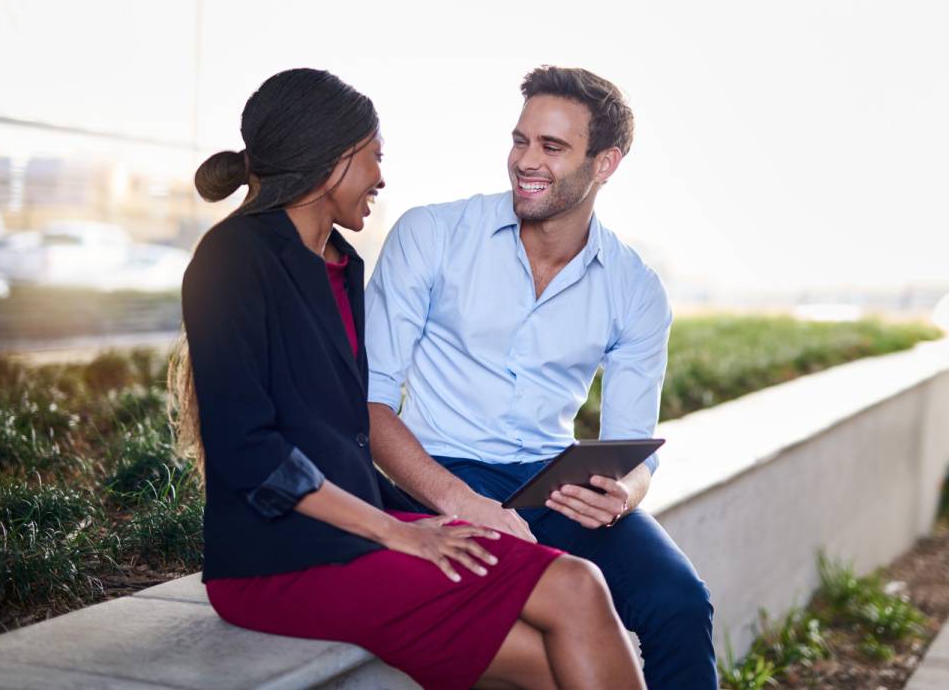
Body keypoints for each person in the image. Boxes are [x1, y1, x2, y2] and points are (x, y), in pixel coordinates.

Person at [171, 68, 644, 690]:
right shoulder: (233, 257)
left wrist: (430, 521)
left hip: (358, 530)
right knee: (567, 621)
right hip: (277, 563)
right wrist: (398, 532)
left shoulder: (341, 265)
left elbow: (344, 441)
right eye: (374, 158)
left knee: (573, 607)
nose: (382, 177)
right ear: (332, 162)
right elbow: (250, 453)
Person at [364, 66, 717, 689]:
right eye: (521, 140)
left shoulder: (634, 288)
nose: (526, 161)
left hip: (554, 487)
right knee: (537, 629)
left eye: (552, 147)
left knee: (680, 602)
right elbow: (370, 405)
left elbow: (635, 447)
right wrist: (461, 502)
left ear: (605, 164)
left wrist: (624, 494)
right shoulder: (432, 236)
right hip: (438, 474)